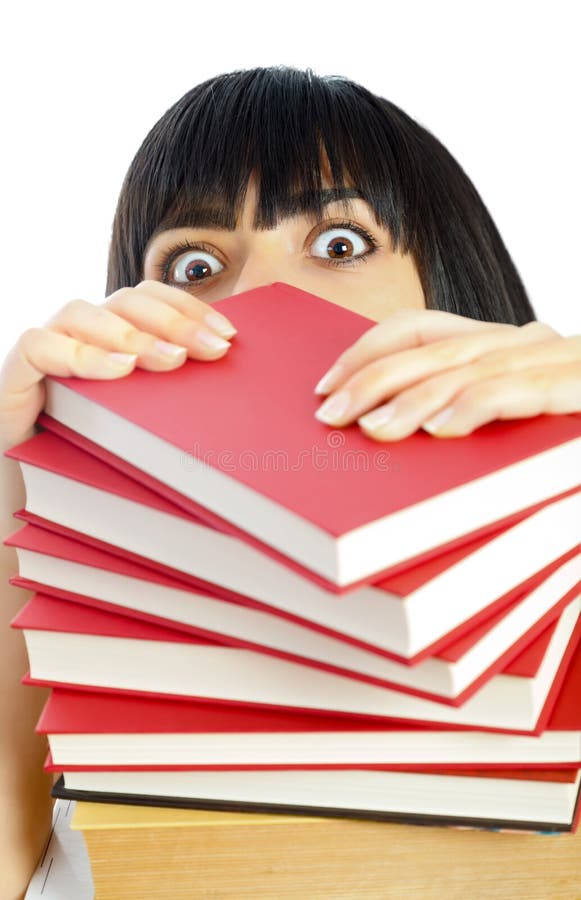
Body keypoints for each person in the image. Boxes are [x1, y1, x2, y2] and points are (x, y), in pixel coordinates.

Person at [1, 64, 579, 898]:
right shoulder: (87, 723)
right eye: (194, 265)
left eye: (339, 245)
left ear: (445, 286)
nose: (259, 295)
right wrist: (27, 480)